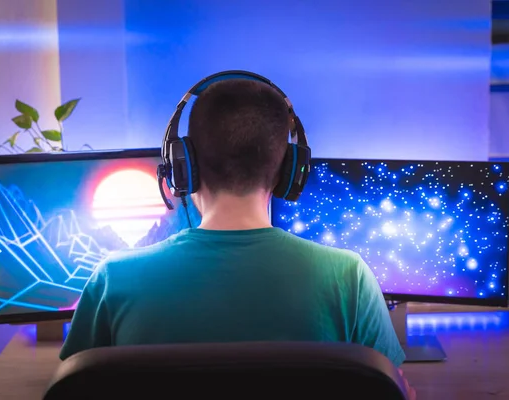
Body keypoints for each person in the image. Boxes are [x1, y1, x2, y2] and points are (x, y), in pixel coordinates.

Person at [59, 77, 414, 398]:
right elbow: (391, 391)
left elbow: (71, 389)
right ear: (289, 170)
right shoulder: (348, 278)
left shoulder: (112, 279)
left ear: (184, 166)